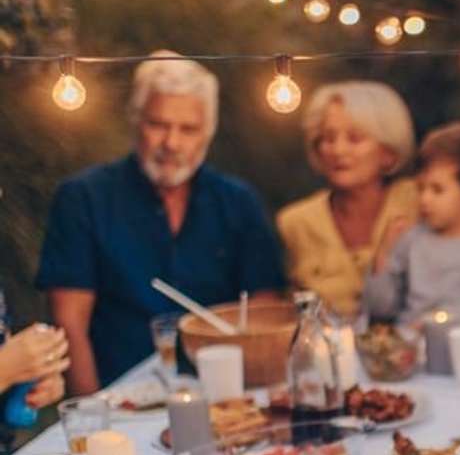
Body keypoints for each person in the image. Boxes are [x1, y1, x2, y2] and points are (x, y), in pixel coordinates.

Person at [37, 51, 286, 393]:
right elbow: (69, 324)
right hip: (122, 397)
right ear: (135, 121)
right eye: (158, 125)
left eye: (188, 129)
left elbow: (264, 307)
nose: (172, 143)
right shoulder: (83, 198)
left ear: (208, 133)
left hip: (226, 392)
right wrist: (94, 418)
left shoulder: (238, 201)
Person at [276, 81, 418, 318]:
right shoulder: (294, 223)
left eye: (354, 138)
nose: (338, 150)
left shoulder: (418, 202)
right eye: (328, 139)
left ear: (388, 152)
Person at [363, 122, 460, 326]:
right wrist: (384, 253)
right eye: (421, 188)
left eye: (437, 190)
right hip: (413, 346)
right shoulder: (411, 241)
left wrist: (445, 322)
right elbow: (380, 307)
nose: (424, 199)